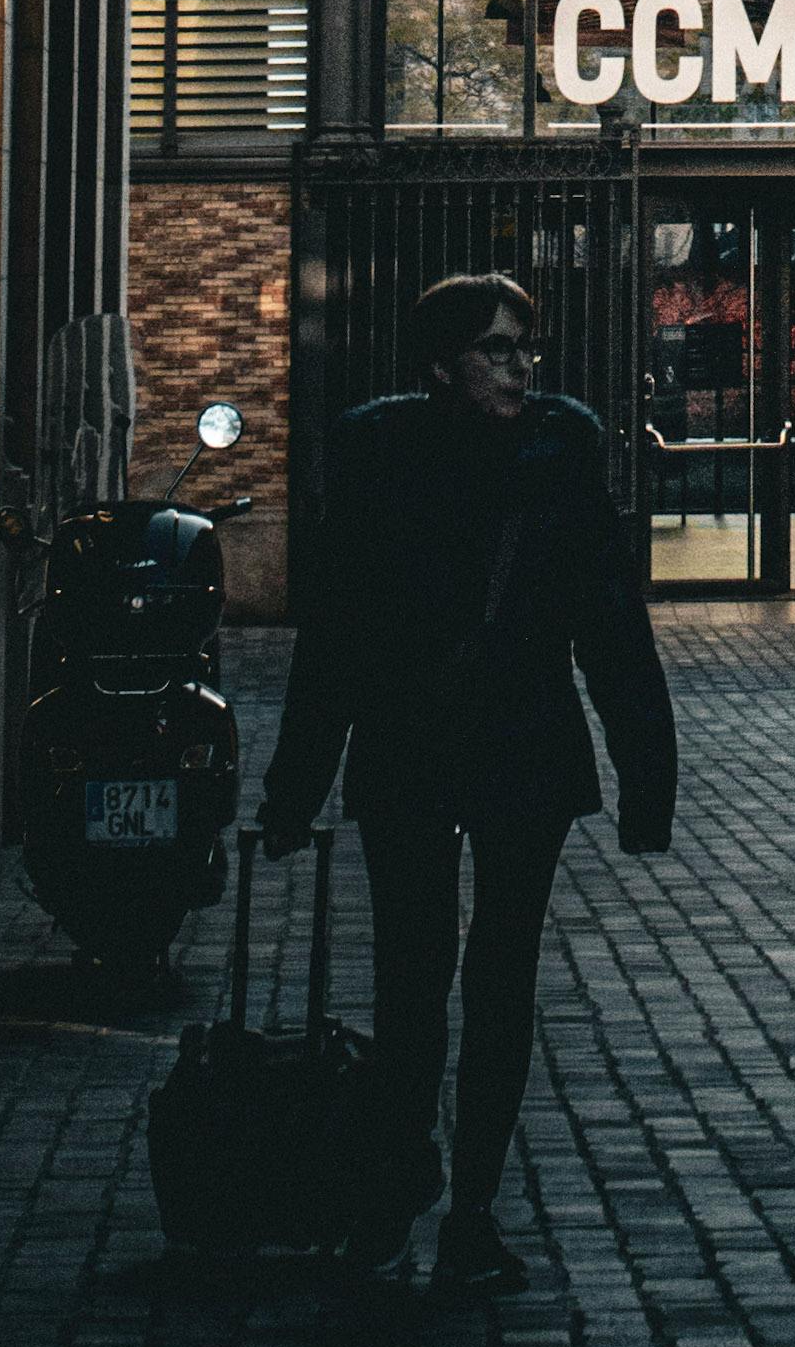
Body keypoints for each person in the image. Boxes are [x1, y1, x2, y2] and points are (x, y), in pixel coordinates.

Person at [259, 272, 676, 1292]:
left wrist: (647, 777)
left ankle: (473, 1210)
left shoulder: (560, 448)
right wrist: (294, 784)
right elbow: (338, 635)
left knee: (501, 981)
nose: (520, 365)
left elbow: (610, 620)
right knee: (412, 980)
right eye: (497, 347)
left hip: (525, 751)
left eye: (526, 346)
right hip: (409, 746)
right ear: (439, 362)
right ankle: (400, 1186)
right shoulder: (381, 454)